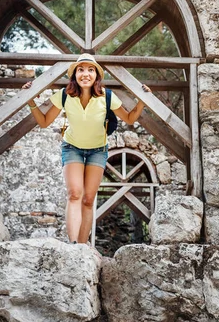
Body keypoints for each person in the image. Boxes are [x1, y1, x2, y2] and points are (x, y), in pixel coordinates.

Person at [22, 53, 151, 244]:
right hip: (72, 147)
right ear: (74, 75)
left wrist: (142, 99)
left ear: (96, 76)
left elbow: (130, 118)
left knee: (88, 199)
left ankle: (82, 246)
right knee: (75, 194)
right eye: (80, 69)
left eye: (90, 70)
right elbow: (44, 121)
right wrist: (30, 101)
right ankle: (73, 244)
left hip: (97, 150)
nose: (85, 74)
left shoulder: (106, 97)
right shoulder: (65, 96)